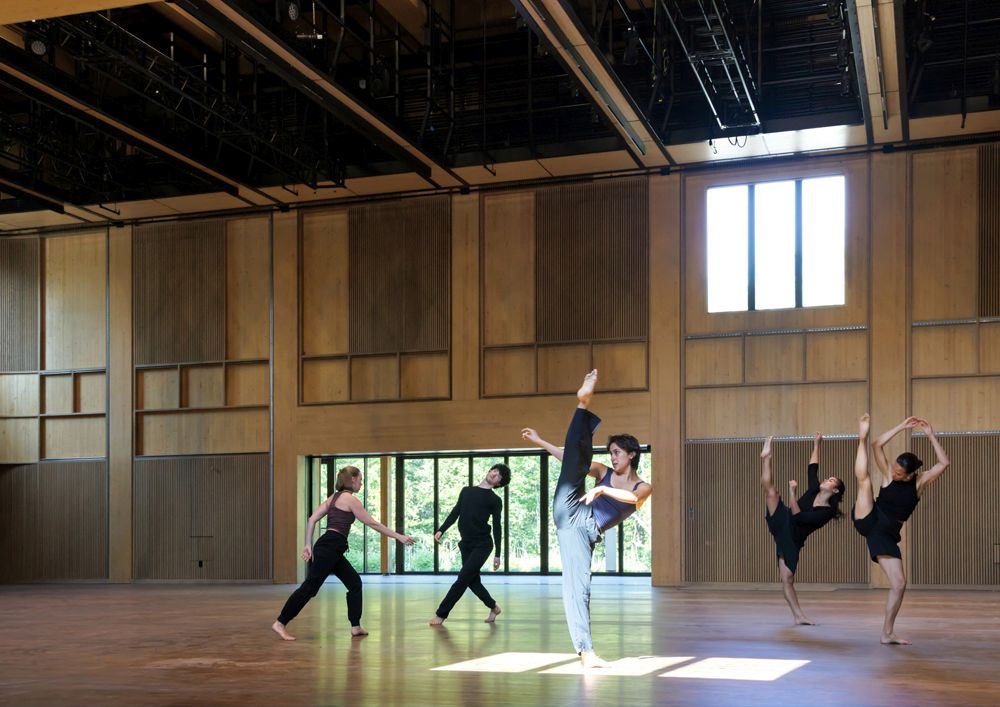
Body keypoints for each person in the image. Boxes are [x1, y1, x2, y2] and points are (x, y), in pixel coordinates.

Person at [521, 369, 652, 668]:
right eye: (611, 452)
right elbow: (571, 460)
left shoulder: (641, 485)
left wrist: (600, 493)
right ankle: (582, 403)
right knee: (576, 462)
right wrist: (541, 441)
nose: (613, 457)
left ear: (632, 455)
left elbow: (633, 500)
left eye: (618, 452)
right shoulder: (603, 471)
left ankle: (585, 651)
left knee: (578, 587)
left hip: (584, 529)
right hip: (571, 507)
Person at [271, 465, 414, 641]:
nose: (361, 484)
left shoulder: (333, 498)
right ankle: (280, 622)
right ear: (352, 480)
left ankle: (355, 626)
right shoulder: (350, 500)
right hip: (330, 547)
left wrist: (308, 544)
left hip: (332, 548)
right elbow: (373, 524)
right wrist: (398, 536)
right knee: (310, 588)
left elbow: (312, 519)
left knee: (354, 583)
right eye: (360, 480)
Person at [853, 414, 950, 644]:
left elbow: (944, 463)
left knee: (899, 584)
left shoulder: (920, 483)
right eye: (894, 469)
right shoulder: (888, 474)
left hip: (886, 534)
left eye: (899, 473)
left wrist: (930, 436)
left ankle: (887, 633)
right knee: (864, 481)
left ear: (910, 474)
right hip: (869, 518)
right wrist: (902, 426)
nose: (894, 474)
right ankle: (860, 438)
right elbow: (878, 445)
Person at [759, 433, 846, 625]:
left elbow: (798, 517)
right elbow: (813, 468)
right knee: (771, 491)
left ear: (835, 491)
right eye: (828, 477)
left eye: (831, 480)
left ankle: (798, 616)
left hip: (793, 536)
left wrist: (792, 493)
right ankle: (766, 458)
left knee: (787, 579)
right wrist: (817, 444)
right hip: (783, 520)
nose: (826, 479)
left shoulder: (827, 511)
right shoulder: (815, 489)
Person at [429, 463, 511, 626]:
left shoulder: (495, 500)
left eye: (499, 475)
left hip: (483, 545)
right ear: (489, 471)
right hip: (466, 544)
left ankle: (441, 614)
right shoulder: (467, 491)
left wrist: (498, 554)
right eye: (494, 470)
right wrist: (441, 530)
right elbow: (456, 511)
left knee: (462, 579)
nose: (495, 474)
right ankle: (494, 607)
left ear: (499, 483)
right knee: (472, 582)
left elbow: (497, 526)